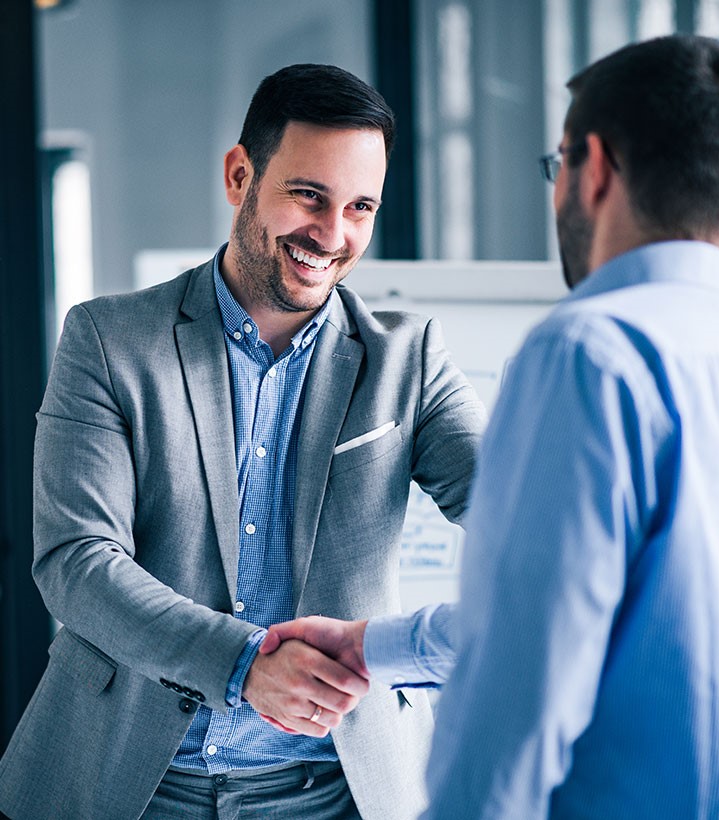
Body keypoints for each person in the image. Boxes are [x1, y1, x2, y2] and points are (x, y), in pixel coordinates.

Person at [265, 35, 719, 819]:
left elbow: (524, 671)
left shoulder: (586, 352)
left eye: (557, 168)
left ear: (596, 168)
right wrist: (370, 646)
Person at [0, 64, 485, 820]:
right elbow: (76, 561)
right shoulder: (107, 340)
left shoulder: (409, 361)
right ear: (240, 175)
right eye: (308, 196)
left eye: (361, 206)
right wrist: (241, 666)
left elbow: (530, 525)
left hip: (335, 792)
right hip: (128, 782)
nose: (333, 235)